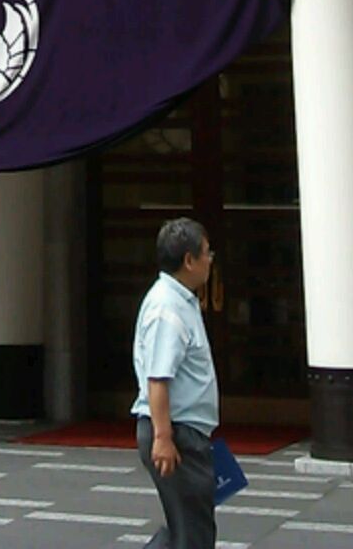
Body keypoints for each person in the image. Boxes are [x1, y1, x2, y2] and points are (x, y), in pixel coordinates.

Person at [132, 215, 219, 549]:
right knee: (193, 535)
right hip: (177, 433)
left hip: (185, 431)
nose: (210, 260)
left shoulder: (180, 300)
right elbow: (158, 378)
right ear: (189, 260)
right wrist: (163, 438)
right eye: (207, 252)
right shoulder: (167, 308)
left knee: (186, 528)